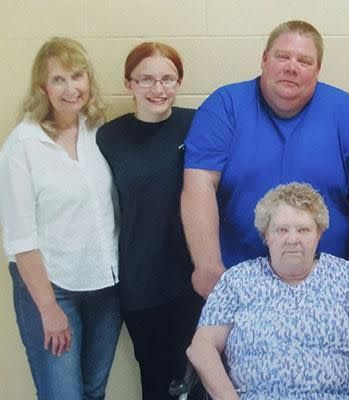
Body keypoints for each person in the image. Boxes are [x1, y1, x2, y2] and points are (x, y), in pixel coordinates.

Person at [181, 20, 349, 299]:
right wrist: (207, 265)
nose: (292, 67)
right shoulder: (225, 106)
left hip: (327, 284)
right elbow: (199, 184)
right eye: (282, 56)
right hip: (239, 282)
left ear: (317, 70)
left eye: (304, 61)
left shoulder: (346, 113)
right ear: (264, 60)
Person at [187, 182, 349, 400]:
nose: (292, 239)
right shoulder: (237, 280)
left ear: (319, 234)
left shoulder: (346, 277)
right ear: (266, 235)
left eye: (303, 229)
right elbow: (202, 346)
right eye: (281, 230)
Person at [0, 37, 120, 400]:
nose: (71, 88)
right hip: (53, 290)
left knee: (93, 391)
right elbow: (21, 239)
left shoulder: (98, 131)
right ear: (43, 88)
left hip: (105, 286)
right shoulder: (22, 145)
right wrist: (49, 309)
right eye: (58, 80)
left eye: (77, 76)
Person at [96, 42, 204, 400]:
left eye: (167, 79)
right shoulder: (109, 137)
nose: (158, 89)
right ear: (129, 84)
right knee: (156, 383)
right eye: (146, 80)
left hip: (194, 280)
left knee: (198, 382)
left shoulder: (198, 124)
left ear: (179, 82)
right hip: (141, 283)